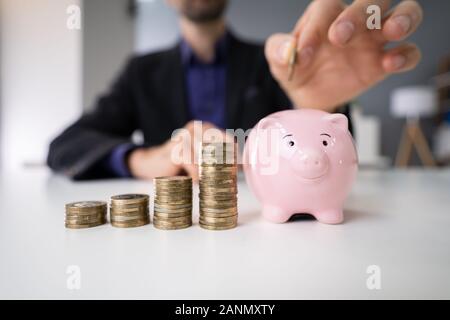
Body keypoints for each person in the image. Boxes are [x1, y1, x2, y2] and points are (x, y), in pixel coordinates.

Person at [47, 0, 423, 180]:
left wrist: (318, 110)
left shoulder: (275, 63)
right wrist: (143, 160)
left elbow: (326, 161)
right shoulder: (141, 73)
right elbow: (64, 147)